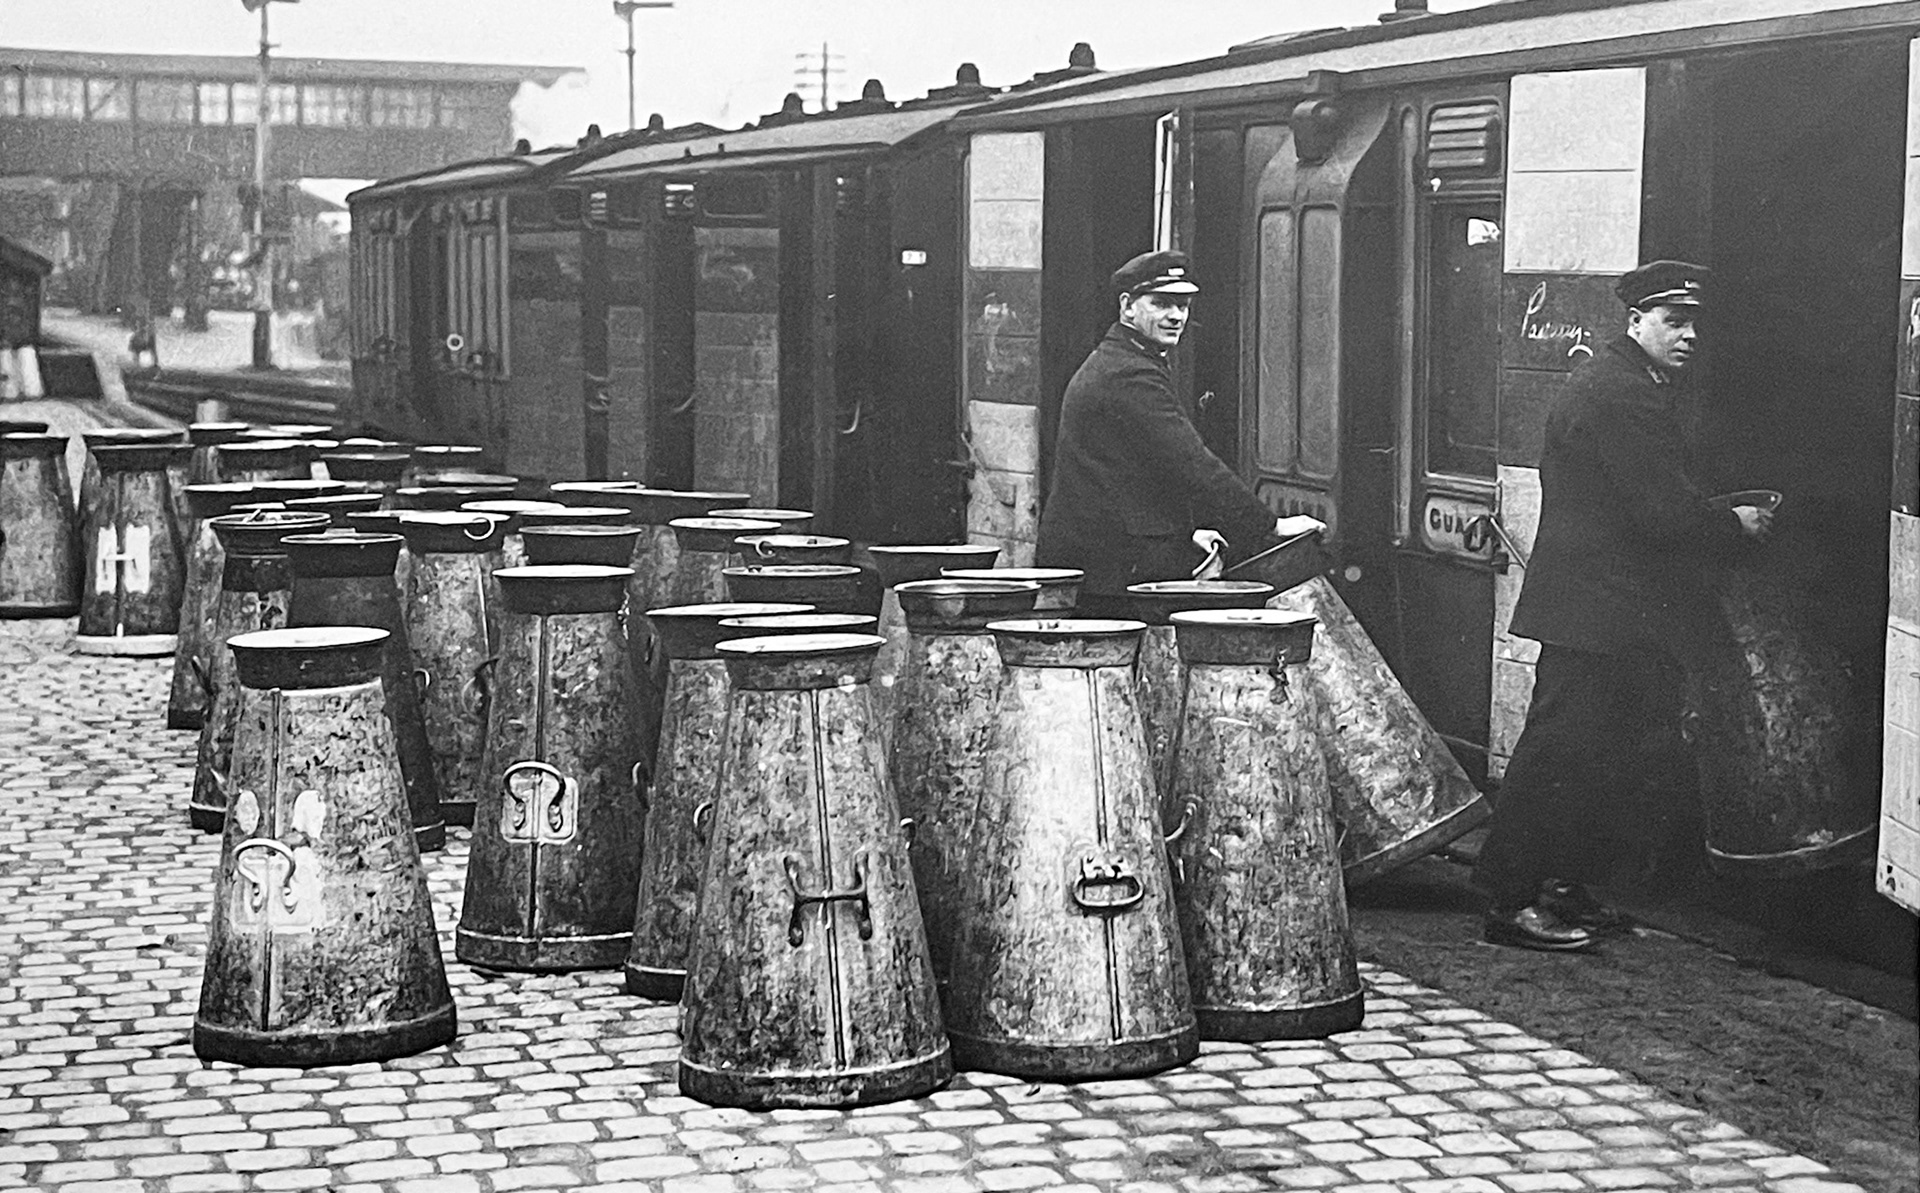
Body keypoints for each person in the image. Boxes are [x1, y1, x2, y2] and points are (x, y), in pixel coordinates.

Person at [1473, 259, 1773, 952]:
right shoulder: (1624, 396)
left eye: (1695, 322)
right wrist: (1736, 524)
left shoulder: (1623, 382)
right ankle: (1510, 900)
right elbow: (1663, 515)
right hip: (1594, 610)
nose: (1688, 334)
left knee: (1595, 754)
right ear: (1635, 321)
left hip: (1599, 606)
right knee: (1559, 753)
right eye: (1674, 321)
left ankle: (1564, 886)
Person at [1034, 249, 1284, 615]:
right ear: (1128, 306)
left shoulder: (1126, 360)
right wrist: (1270, 526)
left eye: (1183, 305)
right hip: (1106, 572)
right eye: (1162, 304)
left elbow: (1132, 476)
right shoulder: (1129, 373)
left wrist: (1187, 535)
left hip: (1100, 562)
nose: (1176, 316)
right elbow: (1190, 462)